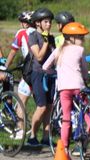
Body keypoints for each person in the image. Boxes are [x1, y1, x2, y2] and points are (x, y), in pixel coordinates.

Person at [41, 22, 89, 153]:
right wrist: (86, 79)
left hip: (64, 88)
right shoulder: (80, 50)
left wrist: (55, 73)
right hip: (78, 86)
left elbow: (45, 67)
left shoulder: (58, 49)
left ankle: (65, 149)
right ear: (71, 38)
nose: (83, 40)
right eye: (81, 37)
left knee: (66, 118)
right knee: (86, 112)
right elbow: (84, 69)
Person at [24, 7, 55, 146]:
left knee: (49, 106)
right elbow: (39, 56)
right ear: (38, 23)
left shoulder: (51, 37)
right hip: (37, 74)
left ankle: (46, 137)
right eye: (46, 22)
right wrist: (46, 41)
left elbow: (55, 56)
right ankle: (32, 136)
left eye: (50, 22)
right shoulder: (34, 36)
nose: (49, 25)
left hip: (51, 74)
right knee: (41, 107)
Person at [5, 11, 34, 138]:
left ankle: (20, 131)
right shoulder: (39, 32)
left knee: (21, 100)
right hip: (43, 70)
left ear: (24, 23)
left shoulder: (21, 33)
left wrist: (5, 67)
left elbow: (13, 52)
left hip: (30, 69)